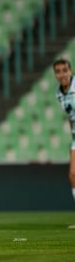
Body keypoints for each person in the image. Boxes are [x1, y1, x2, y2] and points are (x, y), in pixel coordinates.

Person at [53, 58, 75, 229]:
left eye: (65, 70)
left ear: (71, 71)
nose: (62, 75)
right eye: (58, 71)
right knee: (73, 175)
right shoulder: (59, 93)